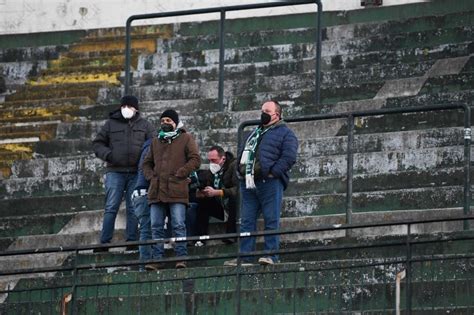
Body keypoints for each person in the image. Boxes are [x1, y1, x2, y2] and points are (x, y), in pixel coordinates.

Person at [225, 100, 298, 266]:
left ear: (277, 115)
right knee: (246, 222)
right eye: (262, 110)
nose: (263, 113)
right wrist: (239, 171)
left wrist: (272, 173)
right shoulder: (254, 133)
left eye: (267, 110)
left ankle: (271, 256)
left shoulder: (286, 133)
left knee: (271, 220)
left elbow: (289, 157)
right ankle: (245, 258)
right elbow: (242, 153)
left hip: (269, 182)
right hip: (248, 182)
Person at [92, 95, 155, 252]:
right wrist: (109, 155)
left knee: (133, 208)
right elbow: (98, 144)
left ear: (136, 109)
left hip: (136, 172)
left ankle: (131, 241)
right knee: (111, 206)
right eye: (124, 106)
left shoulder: (145, 125)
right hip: (115, 171)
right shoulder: (110, 124)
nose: (127, 109)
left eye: (130, 106)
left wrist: (144, 161)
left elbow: (154, 145)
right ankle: (104, 242)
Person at [142, 109, 201, 269]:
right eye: (162, 121)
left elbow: (195, 159)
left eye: (168, 120)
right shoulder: (155, 141)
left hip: (177, 189)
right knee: (156, 226)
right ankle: (157, 259)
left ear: (175, 122)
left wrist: (181, 172)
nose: (165, 123)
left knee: (178, 225)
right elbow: (146, 163)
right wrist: (151, 177)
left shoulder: (186, 138)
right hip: (157, 190)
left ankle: (181, 258)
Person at [195, 146, 238, 246]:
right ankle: (201, 238)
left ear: (223, 159)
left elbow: (238, 190)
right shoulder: (212, 172)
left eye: (214, 160)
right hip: (221, 206)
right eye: (209, 160)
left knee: (234, 199)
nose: (211, 163)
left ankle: (231, 235)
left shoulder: (233, 166)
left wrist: (218, 192)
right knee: (203, 202)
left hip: (235, 208)